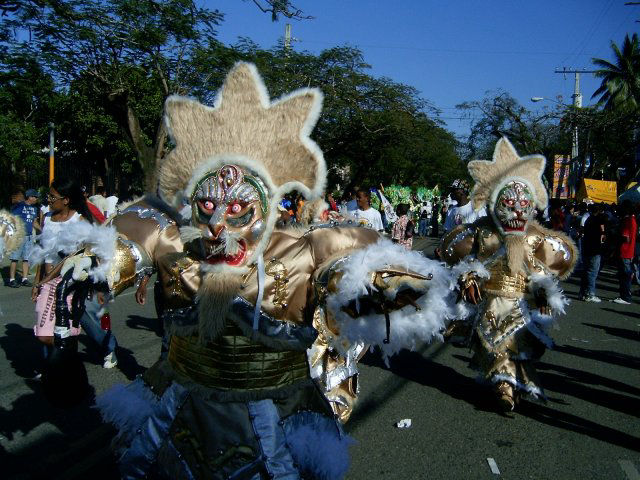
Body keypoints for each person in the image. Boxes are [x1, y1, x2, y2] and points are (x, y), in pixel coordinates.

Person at [64, 63, 452, 479]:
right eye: (208, 207)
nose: (217, 226)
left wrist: (373, 286)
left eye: (236, 211)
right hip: (182, 404)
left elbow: (352, 259)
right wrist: (101, 257)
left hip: (270, 412)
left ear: (264, 211)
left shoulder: (302, 249)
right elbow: (136, 228)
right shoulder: (177, 242)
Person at [441, 138, 576, 412]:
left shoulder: (535, 237)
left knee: (519, 348)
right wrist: (469, 278)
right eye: (510, 203)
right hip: (491, 301)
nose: (516, 210)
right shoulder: (482, 232)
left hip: (521, 302)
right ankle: (504, 386)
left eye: (522, 204)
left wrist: (543, 292)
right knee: (494, 346)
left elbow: (542, 270)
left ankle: (511, 385)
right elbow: (468, 260)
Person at [29, 178, 118, 369]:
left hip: (73, 284)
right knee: (45, 331)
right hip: (48, 282)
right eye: (49, 196)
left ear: (66, 200)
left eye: (52, 197)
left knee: (85, 323)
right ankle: (53, 364)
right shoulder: (47, 220)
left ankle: (108, 348)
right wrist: (38, 282)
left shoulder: (80, 221)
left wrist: (100, 288)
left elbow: (94, 255)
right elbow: (43, 253)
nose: (49, 200)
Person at [8, 189, 40, 287]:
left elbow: (34, 222)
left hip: (29, 236)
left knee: (26, 258)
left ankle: (24, 278)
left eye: (36, 197)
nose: (36, 198)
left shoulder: (34, 209)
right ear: (29, 197)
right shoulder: (19, 206)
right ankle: (12, 279)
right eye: (34, 196)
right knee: (15, 258)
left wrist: (42, 230)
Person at [579, 203, 606, 302]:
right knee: (592, 272)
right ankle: (590, 293)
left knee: (586, 271)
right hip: (595, 249)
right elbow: (602, 234)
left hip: (587, 248)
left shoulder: (588, 220)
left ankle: (582, 292)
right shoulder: (599, 221)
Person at [612, 200, 636, 304]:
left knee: (624, 275)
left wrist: (615, 234)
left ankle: (625, 296)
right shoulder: (633, 220)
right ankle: (625, 295)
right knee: (626, 274)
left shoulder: (627, 221)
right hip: (629, 251)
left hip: (624, 251)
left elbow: (625, 238)